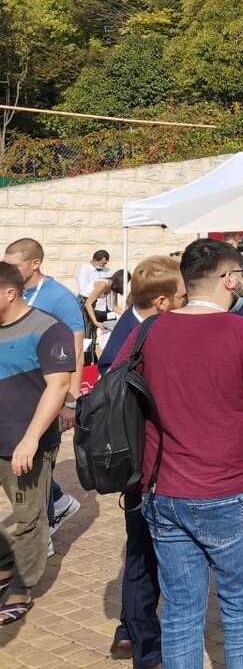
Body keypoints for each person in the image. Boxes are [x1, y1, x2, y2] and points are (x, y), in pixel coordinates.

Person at [116, 238, 243, 668]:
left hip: (162, 489)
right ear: (229, 279)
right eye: (241, 276)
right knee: (242, 603)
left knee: (180, 609)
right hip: (228, 489)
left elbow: (116, 390)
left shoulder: (148, 330)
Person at [99, 256, 187, 666]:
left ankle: (130, 629)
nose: (188, 301)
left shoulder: (138, 324)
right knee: (142, 552)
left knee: (143, 551)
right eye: (183, 296)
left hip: (146, 461)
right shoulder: (135, 333)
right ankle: (142, 641)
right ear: (163, 301)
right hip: (143, 464)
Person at [0, 261, 74, 627]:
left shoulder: (48, 328)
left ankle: (21, 588)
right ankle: (4, 563)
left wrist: (30, 440)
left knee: (29, 517)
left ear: (10, 293)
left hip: (25, 442)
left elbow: (58, 387)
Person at [4, 238, 85, 556]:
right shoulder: (13, 297)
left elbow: (75, 350)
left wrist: (70, 402)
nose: (10, 269)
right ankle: (59, 504)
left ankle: (42, 538)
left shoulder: (60, 298)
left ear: (35, 263)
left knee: (36, 474)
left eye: (15, 265)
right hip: (15, 402)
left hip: (44, 398)